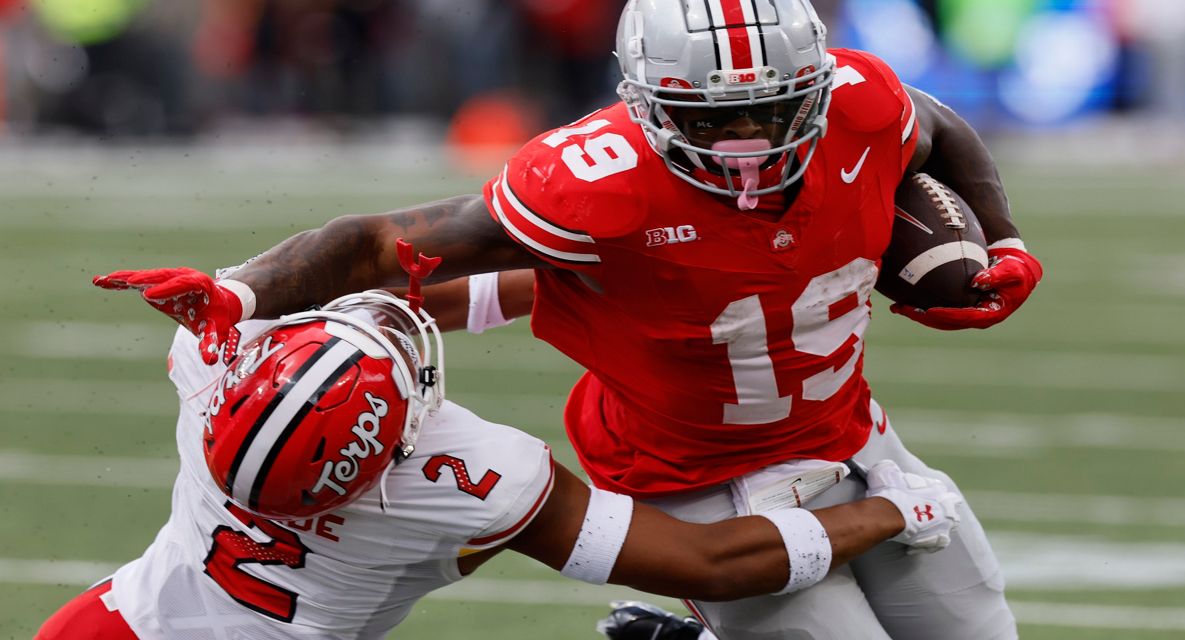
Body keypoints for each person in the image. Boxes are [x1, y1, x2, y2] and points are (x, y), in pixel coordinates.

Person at [91, 0, 1043, 639]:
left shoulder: (859, 102)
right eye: (718, 118)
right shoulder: (595, 185)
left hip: (849, 431)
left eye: (775, 107)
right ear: (645, 101)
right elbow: (388, 244)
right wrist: (246, 286)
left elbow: (936, 128)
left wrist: (1001, 237)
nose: (750, 138)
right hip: (691, 476)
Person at [37, 280, 960, 639]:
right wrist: (893, 512)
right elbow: (709, 561)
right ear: (393, 450)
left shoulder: (211, 370)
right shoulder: (468, 479)